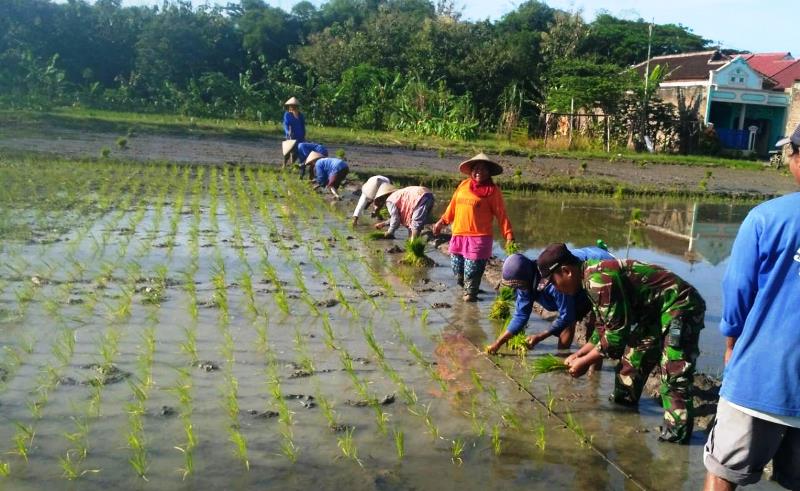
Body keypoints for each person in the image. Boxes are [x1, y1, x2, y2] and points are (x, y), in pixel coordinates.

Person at [537, 243, 705, 444]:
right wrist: (581, 353)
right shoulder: (588, 279)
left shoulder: (598, 280)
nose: (556, 289)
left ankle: (676, 441)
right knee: (630, 366)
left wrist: (585, 362)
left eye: (553, 282)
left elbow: (616, 336)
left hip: (680, 305)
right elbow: (604, 326)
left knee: (673, 374)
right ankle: (624, 414)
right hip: (653, 313)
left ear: (566, 271)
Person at [702, 147, 800, 490]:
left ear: (796, 159)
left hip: (761, 378)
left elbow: (738, 288)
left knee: (722, 470)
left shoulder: (766, 218)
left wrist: (731, 344)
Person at [486, 246, 613, 355]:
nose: (518, 289)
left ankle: (588, 371)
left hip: (601, 270)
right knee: (573, 321)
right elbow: (521, 315)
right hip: (576, 276)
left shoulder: (556, 282)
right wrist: (498, 343)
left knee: (596, 324)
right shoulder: (525, 284)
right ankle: (565, 361)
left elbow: (566, 316)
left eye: (519, 285)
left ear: (527, 278)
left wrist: (540, 336)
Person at [432, 153, 514, 302]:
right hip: (458, 235)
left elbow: (502, 215)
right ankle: (471, 291)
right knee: (458, 273)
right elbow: (452, 207)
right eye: (476, 169)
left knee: (471, 276)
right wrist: (441, 222)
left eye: (483, 169)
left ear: (489, 172)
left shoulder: (493, 191)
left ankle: (471, 297)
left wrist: (508, 236)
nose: (479, 172)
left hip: (479, 238)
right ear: (471, 171)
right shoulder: (463, 185)